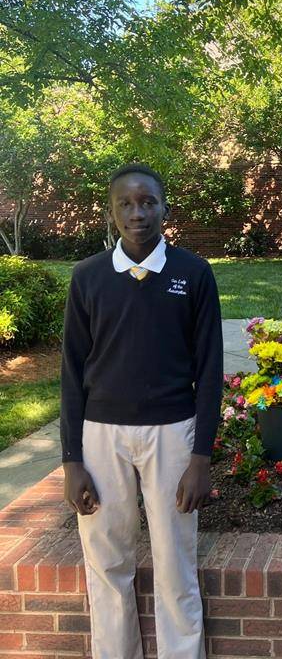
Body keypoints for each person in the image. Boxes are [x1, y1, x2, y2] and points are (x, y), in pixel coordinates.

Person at [60, 163, 223, 659]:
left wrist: (200, 458)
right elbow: (70, 372)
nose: (137, 213)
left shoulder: (192, 273)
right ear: (111, 212)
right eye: (126, 204)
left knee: (175, 564)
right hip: (101, 434)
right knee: (107, 565)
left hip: (172, 434)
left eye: (147, 202)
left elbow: (210, 370)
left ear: (164, 208)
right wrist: (71, 460)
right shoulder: (88, 277)